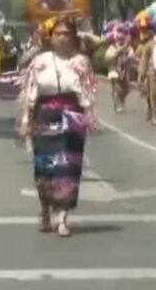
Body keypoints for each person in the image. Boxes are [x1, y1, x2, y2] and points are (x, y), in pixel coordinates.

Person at [19, 16, 95, 238]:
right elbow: (30, 91)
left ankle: (62, 217)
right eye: (58, 34)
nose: (63, 38)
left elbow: (88, 90)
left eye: (67, 34)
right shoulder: (39, 61)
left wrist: (89, 115)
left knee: (69, 166)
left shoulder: (82, 62)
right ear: (50, 37)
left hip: (72, 115)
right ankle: (45, 209)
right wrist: (26, 120)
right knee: (45, 166)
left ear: (74, 37)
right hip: (44, 115)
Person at [104, 22, 133, 113]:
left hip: (124, 72)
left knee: (126, 90)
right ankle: (117, 104)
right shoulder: (112, 47)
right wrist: (117, 53)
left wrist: (128, 56)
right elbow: (108, 57)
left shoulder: (128, 48)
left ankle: (120, 101)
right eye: (119, 35)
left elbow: (131, 57)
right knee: (117, 88)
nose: (120, 37)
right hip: (114, 71)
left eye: (123, 35)